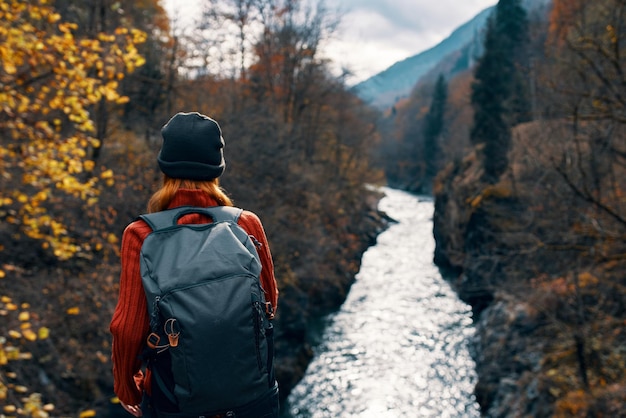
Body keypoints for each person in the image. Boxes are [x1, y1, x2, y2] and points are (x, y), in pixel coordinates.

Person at [110, 111, 279, 417]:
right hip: (253, 396)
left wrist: (127, 388)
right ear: (217, 168)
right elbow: (269, 303)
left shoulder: (141, 235)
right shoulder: (246, 224)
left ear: (165, 166)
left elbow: (128, 331)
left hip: (174, 401)